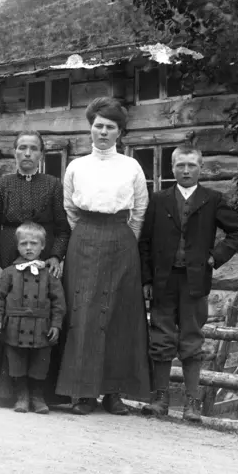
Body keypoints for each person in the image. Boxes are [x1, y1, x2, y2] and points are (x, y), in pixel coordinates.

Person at [139, 145, 238, 422]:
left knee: (191, 338)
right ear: (172, 168)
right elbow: (146, 243)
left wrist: (216, 257)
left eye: (191, 165)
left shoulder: (212, 199)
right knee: (162, 338)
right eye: (180, 166)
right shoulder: (159, 200)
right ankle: (160, 398)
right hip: (164, 281)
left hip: (194, 281)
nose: (185, 171)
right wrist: (148, 279)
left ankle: (192, 403)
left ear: (201, 168)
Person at [56, 96, 151, 415]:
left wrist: (124, 240)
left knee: (118, 316)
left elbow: (139, 209)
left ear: (120, 132)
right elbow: (69, 208)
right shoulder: (76, 166)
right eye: (98, 126)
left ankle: (113, 393)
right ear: (90, 129)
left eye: (110, 127)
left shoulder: (131, 166)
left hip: (121, 241)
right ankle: (82, 393)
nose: (103, 132)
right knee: (83, 314)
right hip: (84, 238)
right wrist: (86, 234)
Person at [0, 131, 70, 405]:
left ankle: (43, 393)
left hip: (42, 258)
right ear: (14, 153)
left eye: (33, 149)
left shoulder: (53, 185)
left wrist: (55, 256)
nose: (27, 154)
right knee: (4, 317)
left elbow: (63, 229)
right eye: (22, 148)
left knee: (40, 315)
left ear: (41, 154)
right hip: (8, 257)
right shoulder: (1, 185)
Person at [0, 222, 66, 414]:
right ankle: (21, 395)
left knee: (40, 363)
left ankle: (37, 396)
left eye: (34, 243)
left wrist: (56, 325)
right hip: (15, 325)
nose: (29, 248)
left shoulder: (49, 274)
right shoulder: (9, 273)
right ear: (17, 246)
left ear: (43, 246)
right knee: (16, 361)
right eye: (24, 243)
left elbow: (59, 303)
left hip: (42, 326)